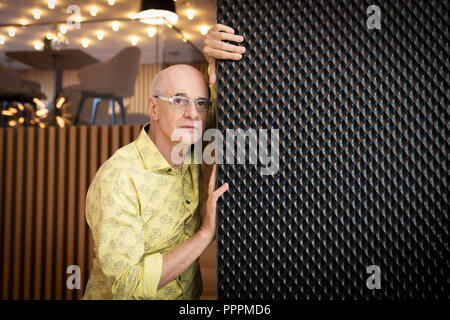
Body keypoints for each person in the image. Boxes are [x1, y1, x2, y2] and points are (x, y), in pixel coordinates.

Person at [82, 24, 245, 300]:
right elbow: (128, 286)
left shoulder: (190, 145)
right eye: (180, 101)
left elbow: (231, 108)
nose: (193, 114)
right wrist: (207, 232)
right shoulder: (119, 178)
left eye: (201, 103)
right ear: (154, 108)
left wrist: (214, 55)